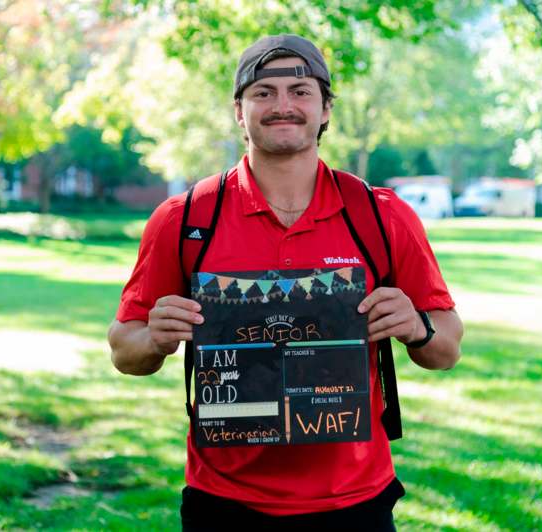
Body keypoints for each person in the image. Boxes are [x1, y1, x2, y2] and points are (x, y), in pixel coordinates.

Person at [108, 34, 463, 531]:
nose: (282, 106)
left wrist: (418, 326)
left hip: (355, 503)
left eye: (300, 91)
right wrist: (154, 337)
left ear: (325, 109)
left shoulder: (381, 216)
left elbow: (446, 349)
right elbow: (125, 351)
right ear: (239, 110)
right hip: (225, 504)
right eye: (263, 92)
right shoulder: (184, 218)